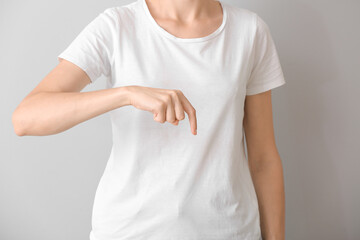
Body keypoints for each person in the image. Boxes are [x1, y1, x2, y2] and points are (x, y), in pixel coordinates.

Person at [12, 0, 286, 239]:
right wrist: (126, 94)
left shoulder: (250, 32)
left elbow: (263, 158)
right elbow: (26, 118)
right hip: (130, 231)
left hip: (229, 230)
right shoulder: (117, 25)